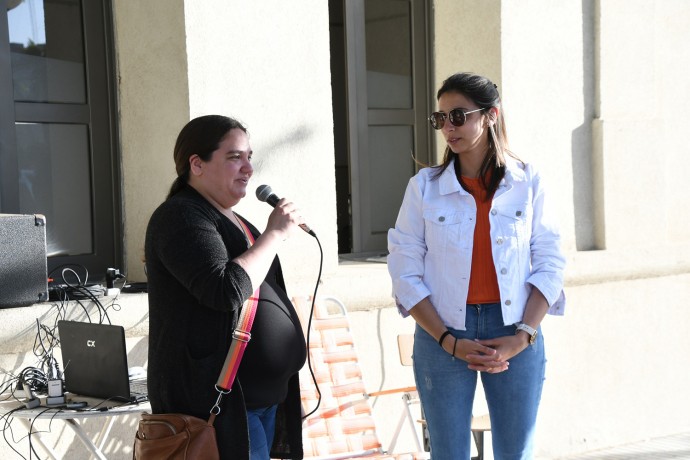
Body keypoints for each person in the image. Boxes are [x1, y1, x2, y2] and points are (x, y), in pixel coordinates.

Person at [387, 73, 566, 459]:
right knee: (448, 453)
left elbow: (550, 263)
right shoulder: (424, 188)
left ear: (490, 116)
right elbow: (403, 270)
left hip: (517, 329)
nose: (448, 127)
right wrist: (448, 340)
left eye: (458, 115)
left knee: (515, 453)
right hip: (443, 333)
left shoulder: (528, 182)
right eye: (440, 119)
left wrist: (523, 336)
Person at [145, 115, 307, 460]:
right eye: (235, 157)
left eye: (249, 156)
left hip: (263, 400)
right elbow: (225, 290)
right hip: (220, 406)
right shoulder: (181, 217)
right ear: (197, 164)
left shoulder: (237, 221)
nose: (248, 168)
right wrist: (275, 235)